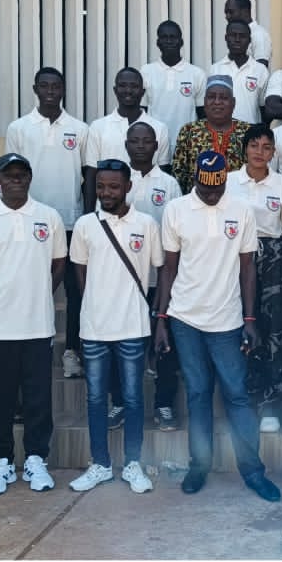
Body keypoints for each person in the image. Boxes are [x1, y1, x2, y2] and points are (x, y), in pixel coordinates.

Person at [153, 151, 281, 502]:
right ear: (195, 179)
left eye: (218, 188)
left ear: (225, 180)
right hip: (185, 318)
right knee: (197, 394)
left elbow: (248, 268)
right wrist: (161, 318)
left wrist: (250, 319)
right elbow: (168, 268)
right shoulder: (176, 210)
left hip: (227, 319)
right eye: (206, 188)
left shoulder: (241, 210)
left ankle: (253, 472)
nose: (212, 195)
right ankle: (199, 466)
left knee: (237, 395)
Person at [0, 153, 67, 497]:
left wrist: (36, 295)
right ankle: (2, 462)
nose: (15, 180)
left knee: (39, 397)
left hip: (37, 324)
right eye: (8, 175)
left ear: (29, 178)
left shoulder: (48, 217)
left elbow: (58, 265)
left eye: (21, 174)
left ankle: (37, 459)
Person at [66, 159, 162, 494]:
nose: (106, 193)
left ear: (128, 187)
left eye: (114, 186)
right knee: (96, 399)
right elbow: (80, 274)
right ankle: (101, 464)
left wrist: (157, 315)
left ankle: (133, 463)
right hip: (95, 328)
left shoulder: (146, 224)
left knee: (133, 398)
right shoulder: (85, 225)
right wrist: (96, 306)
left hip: (133, 325)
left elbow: (160, 269)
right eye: (101, 187)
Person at [4, 67, 89, 379]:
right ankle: (28, 345)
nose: (51, 91)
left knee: (74, 291)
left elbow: (87, 176)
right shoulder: (19, 128)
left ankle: (72, 352)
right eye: (45, 86)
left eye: (56, 86)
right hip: (30, 222)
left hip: (70, 222)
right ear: (35, 89)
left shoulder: (80, 129)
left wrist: (86, 218)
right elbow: (11, 175)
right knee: (32, 286)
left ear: (63, 89)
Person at [226, 124, 282, 432]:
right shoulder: (229, 182)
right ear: (244, 149)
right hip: (236, 260)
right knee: (240, 329)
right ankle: (244, 403)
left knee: (273, 332)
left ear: (273, 152)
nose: (259, 152)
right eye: (254, 145)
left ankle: (271, 406)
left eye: (266, 147)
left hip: (273, 261)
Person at [125, 121, 185, 431]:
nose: (140, 146)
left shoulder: (170, 184)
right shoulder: (117, 179)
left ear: (156, 146)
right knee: (127, 345)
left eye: (147, 141)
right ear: (126, 145)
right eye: (135, 141)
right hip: (125, 278)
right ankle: (121, 403)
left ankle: (164, 404)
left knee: (165, 344)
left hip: (161, 276)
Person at [84, 67, 172, 213]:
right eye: (123, 85)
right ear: (115, 90)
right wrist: (89, 214)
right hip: (107, 213)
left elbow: (163, 172)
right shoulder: (98, 127)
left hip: (149, 210)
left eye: (134, 86)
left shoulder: (159, 128)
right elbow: (92, 173)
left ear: (143, 92)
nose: (128, 91)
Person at [172, 76, 251, 194]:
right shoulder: (189, 131)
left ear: (233, 103)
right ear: (204, 102)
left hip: (237, 201)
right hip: (196, 202)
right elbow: (179, 176)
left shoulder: (247, 131)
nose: (217, 102)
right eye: (211, 97)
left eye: (224, 98)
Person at [140, 21, 207, 142]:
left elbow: (202, 113)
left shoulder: (197, 74)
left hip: (187, 143)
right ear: (158, 42)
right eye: (164, 37)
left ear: (181, 42)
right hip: (154, 143)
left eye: (173, 37)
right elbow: (142, 110)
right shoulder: (146, 72)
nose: (169, 41)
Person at [210, 20, 267, 125]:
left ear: (249, 40)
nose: (237, 40)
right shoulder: (215, 70)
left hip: (250, 133)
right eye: (233, 35)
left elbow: (263, 108)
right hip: (221, 132)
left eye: (242, 36)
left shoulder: (261, 70)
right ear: (226, 38)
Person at [224, 0, 271, 68]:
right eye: (226, 13)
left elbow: (262, 67)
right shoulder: (232, 34)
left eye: (231, 12)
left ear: (245, 11)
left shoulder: (259, 34)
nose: (227, 16)